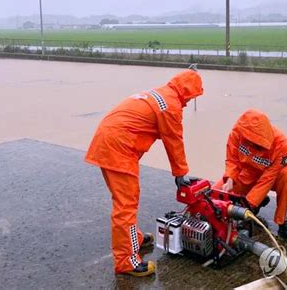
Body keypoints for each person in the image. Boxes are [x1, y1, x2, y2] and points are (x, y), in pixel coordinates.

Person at [85, 67, 203, 276]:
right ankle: (126, 261)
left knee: (124, 201)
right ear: (188, 92)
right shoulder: (170, 105)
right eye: (191, 97)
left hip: (108, 141)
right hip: (119, 148)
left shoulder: (160, 94)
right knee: (126, 205)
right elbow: (174, 140)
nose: (188, 103)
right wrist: (180, 174)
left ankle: (134, 240)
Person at [213, 109, 287, 239]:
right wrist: (230, 178)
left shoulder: (282, 144)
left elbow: (268, 178)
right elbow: (232, 160)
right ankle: (258, 201)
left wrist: (250, 203)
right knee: (214, 194)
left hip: (273, 177)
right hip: (248, 173)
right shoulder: (237, 132)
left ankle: (284, 221)